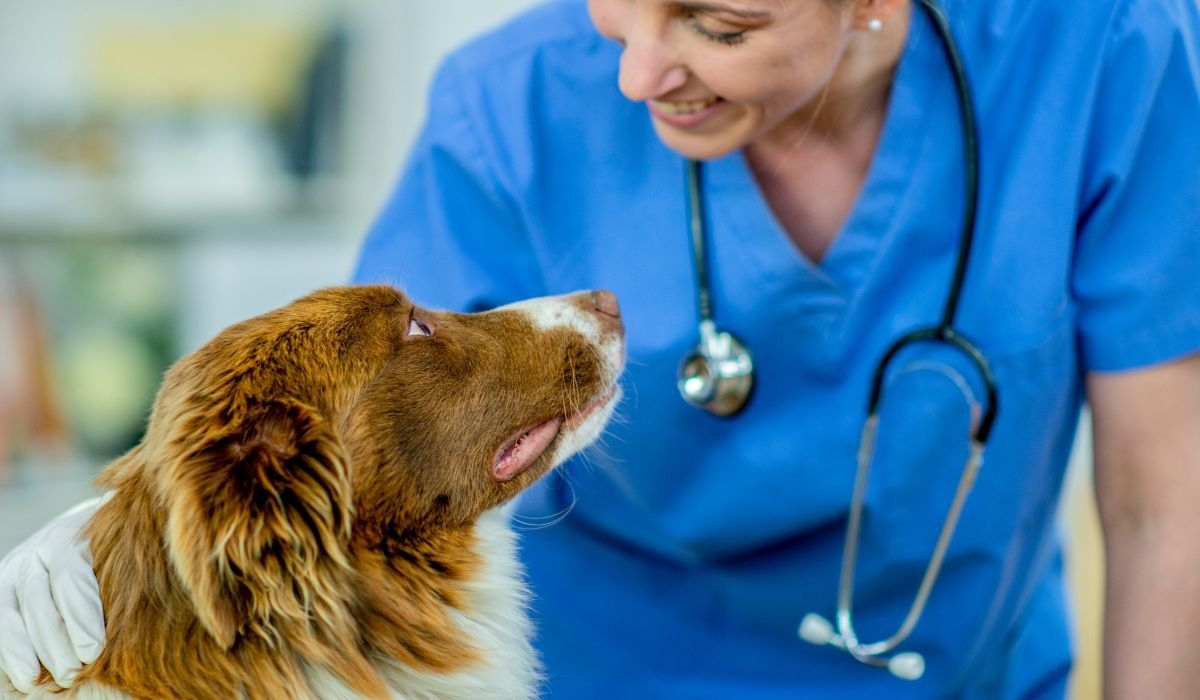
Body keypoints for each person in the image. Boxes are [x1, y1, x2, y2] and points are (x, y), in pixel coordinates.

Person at [3, 0, 1200, 697]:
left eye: (716, 24)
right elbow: (340, 429)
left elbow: (1163, 504)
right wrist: (136, 526)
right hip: (602, 680)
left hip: (953, 675)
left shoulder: (1107, 57)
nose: (636, 70)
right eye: (618, 0)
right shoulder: (514, 107)